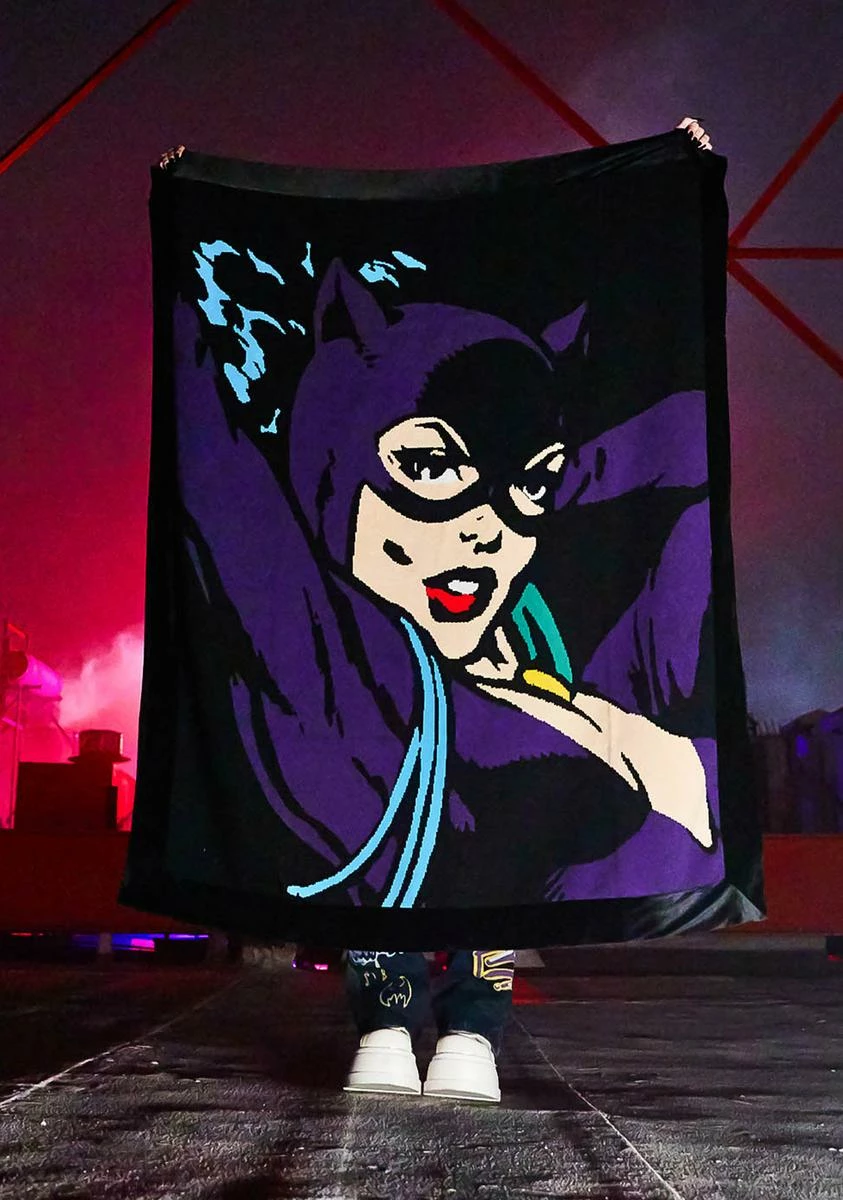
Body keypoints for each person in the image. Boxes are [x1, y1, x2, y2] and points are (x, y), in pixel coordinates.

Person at [162, 115, 714, 1103]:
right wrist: (191, 198)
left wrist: (673, 182)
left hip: (516, 731)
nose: (486, 534)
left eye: (527, 488)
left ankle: (469, 1028)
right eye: (430, 468)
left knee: (499, 854)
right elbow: (215, 449)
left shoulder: (535, 646)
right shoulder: (311, 625)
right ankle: (387, 1017)